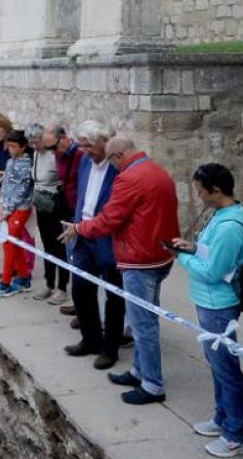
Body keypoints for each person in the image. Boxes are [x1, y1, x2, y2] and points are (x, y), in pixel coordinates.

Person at [64, 137, 179, 406]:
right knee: (146, 319)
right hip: (159, 256)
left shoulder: (129, 178)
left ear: (117, 155)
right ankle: (139, 371)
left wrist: (79, 228)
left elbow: (109, 218)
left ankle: (152, 384)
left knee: (143, 325)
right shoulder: (156, 170)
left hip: (140, 260)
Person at [170, 164, 243, 458]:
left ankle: (235, 434)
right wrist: (192, 247)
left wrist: (182, 258)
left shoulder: (230, 226)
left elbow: (215, 271)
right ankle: (222, 417)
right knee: (217, 365)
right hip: (208, 301)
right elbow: (212, 254)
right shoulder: (221, 216)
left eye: (201, 190)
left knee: (226, 369)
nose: (199, 195)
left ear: (215, 190)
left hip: (218, 304)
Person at [60, 120, 124, 370]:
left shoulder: (118, 167)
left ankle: (110, 348)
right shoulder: (86, 161)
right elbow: (83, 196)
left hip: (107, 237)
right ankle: (90, 339)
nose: (84, 151)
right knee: (81, 289)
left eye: (88, 146)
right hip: (83, 233)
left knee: (114, 294)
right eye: (82, 145)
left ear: (104, 142)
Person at [0, 130, 35, 298]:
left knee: (9, 244)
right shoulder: (9, 162)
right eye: (9, 146)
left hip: (20, 209)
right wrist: (1, 204)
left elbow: (22, 190)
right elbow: (5, 185)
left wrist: (8, 209)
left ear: (23, 147)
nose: (10, 149)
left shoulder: (27, 166)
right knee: (16, 242)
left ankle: (5, 283)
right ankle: (23, 278)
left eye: (14, 146)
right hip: (6, 208)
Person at [27, 124, 68, 305]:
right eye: (31, 143)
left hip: (55, 206)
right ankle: (49, 283)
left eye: (37, 142)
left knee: (59, 246)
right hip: (41, 205)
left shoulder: (54, 156)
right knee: (47, 246)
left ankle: (62, 287)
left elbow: (62, 180)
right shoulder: (36, 154)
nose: (34, 146)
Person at [51, 124, 84, 312]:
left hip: (78, 215)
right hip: (67, 211)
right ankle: (78, 302)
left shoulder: (80, 156)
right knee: (72, 258)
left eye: (54, 147)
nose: (53, 152)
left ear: (63, 137)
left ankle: (83, 307)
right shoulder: (58, 155)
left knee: (79, 259)